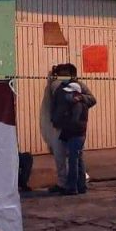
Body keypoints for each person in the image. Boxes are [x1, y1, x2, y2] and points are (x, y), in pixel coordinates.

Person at [55, 80, 94, 195]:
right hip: (78, 135)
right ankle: (81, 186)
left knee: (73, 162)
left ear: (76, 94)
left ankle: (72, 187)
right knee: (79, 160)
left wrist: (64, 119)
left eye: (70, 93)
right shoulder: (76, 104)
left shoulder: (77, 105)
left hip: (75, 135)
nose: (68, 95)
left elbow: (74, 122)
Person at [40, 64, 74, 192]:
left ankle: (72, 183)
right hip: (61, 126)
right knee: (62, 156)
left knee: (71, 156)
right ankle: (65, 183)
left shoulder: (73, 86)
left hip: (69, 126)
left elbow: (90, 100)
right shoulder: (56, 86)